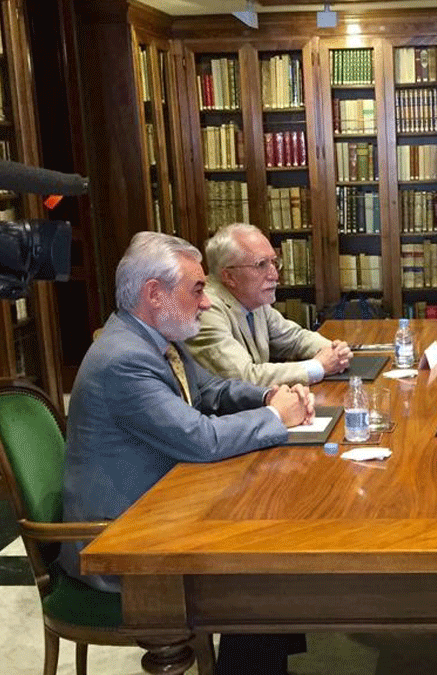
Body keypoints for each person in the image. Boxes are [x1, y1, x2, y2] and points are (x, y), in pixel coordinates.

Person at [61, 231, 314, 675]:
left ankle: (263, 661)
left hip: (164, 506)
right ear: (154, 294)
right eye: (197, 289)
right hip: (122, 541)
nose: (205, 302)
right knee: (260, 571)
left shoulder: (157, 337)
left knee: (270, 544)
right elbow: (200, 439)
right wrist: (277, 419)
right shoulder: (124, 359)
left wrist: (270, 396)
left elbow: (212, 390)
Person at [187, 223, 352, 386]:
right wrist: (318, 366)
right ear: (229, 276)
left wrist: (334, 351)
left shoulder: (253, 299)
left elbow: (295, 339)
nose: (274, 274)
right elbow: (244, 378)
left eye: (274, 262)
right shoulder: (205, 309)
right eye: (261, 264)